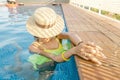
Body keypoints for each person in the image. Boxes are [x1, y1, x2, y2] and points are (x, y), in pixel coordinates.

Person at [26, 7, 106, 79]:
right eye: (43, 34)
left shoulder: (56, 36)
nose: (47, 36)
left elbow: (70, 35)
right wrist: (73, 50)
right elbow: (55, 58)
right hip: (40, 66)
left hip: (53, 63)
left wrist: (81, 45)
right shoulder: (34, 47)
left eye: (49, 33)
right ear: (36, 33)